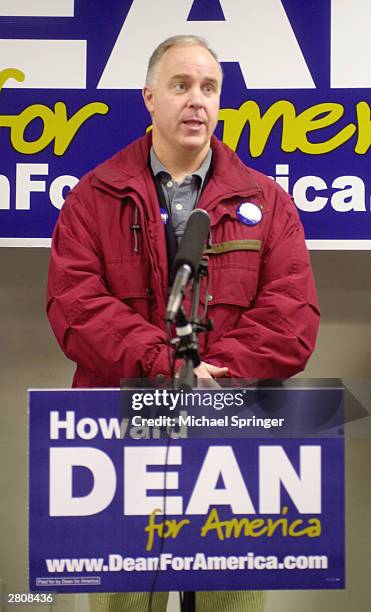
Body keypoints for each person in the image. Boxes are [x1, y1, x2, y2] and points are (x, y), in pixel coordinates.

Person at [47, 35, 320, 612]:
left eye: (209, 87)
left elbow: (291, 315)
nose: (197, 100)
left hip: (234, 439)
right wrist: (170, 367)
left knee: (229, 603)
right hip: (123, 437)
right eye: (181, 85)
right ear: (149, 97)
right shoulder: (92, 199)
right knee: (123, 602)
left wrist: (216, 377)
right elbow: (76, 307)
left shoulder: (267, 202)